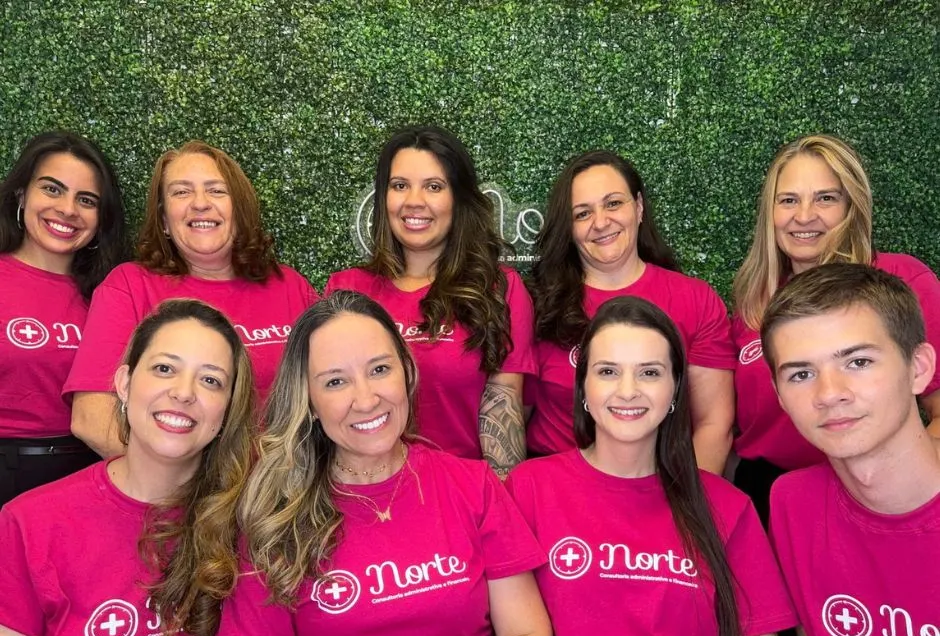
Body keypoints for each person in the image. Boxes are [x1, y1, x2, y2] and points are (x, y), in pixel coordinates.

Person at [214, 291, 552, 636]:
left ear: (407, 373)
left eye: (379, 369)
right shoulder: (274, 513)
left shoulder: (472, 486)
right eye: (335, 381)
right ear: (308, 400)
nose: (366, 398)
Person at [507, 296, 796, 636]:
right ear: (583, 388)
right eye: (607, 371)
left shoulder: (726, 506)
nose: (628, 391)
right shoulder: (529, 490)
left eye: (649, 373)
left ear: (675, 389)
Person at [0, 298, 255, 636]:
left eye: (210, 380)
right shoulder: (30, 521)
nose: (184, 393)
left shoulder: (247, 522)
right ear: (123, 383)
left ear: (226, 411)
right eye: (164, 368)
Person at [763, 263, 940, 636]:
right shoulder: (793, 503)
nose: (830, 392)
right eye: (800, 373)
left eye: (858, 362)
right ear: (778, 394)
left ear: (919, 368)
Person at [731, 133, 940, 523]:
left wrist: (905, 492)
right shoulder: (754, 302)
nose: (804, 215)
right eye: (788, 200)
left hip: (873, 489)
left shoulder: (901, 279)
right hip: (767, 494)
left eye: (825, 198)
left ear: (851, 206)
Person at [65, 140, 317, 458]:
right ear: (164, 220)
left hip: (283, 483)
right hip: (178, 487)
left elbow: (328, 395)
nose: (200, 203)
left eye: (216, 191)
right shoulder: (129, 286)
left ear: (240, 209)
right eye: (181, 192)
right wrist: (188, 482)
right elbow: (93, 418)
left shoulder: (290, 286)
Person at [325, 126, 535, 475]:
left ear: (458, 199)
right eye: (399, 185)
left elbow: (503, 421)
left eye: (434, 186)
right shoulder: (345, 290)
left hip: (460, 492)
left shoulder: (498, 289)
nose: (414, 201)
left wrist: (496, 499)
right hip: (366, 490)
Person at [526, 151, 736, 473]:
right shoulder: (537, 303)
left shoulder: (695, 299)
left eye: (613, 204)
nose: (600, 222)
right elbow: (515, 411)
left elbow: (713, 423)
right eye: (582, 213)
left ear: (638, 207)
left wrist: (687, 500)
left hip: (663, 485)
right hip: (555, 483)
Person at [0, 131, 126, 505]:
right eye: (52, 189)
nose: (68, 209)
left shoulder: (116, 293)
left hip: (94, 475)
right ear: (22, 195)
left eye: (86, 200)